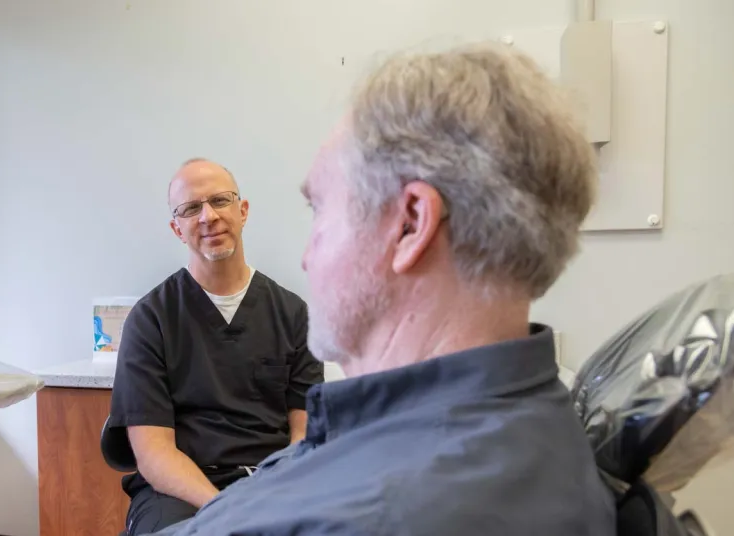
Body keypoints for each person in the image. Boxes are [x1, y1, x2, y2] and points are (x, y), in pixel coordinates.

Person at [146, 43, 617, 535]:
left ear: (411, 224)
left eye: (320, 210)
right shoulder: (530, 440)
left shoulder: (375, 513)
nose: (307, 257)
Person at [108, 158, 325, 535]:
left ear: (242, 211)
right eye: (191, 208)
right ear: (178, 229)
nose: (208, 216)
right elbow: (154, 453)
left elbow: (304, 435)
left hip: (272, 482)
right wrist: (224, 509)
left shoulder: (292, 314)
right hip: (179, 490)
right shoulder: (151, 320)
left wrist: (272, 496)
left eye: (220, 201)